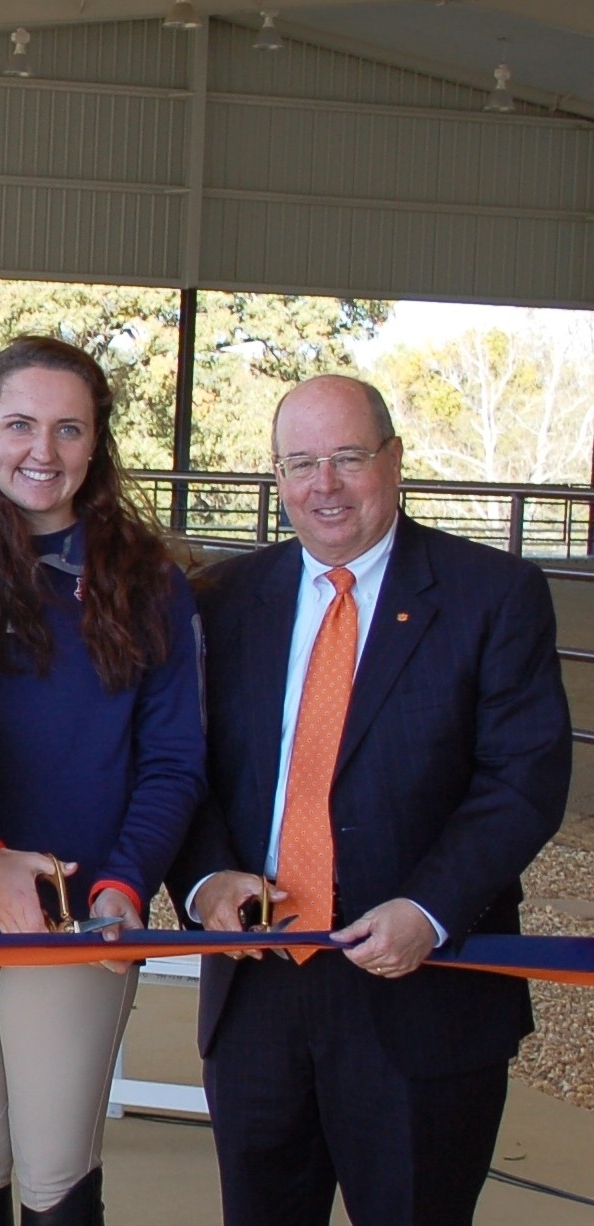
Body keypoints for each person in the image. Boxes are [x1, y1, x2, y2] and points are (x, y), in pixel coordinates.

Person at [171, 374, 570, 1225]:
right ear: (275, 476)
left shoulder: (492, 595)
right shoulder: (221, 602)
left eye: (348, 458)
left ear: (393, 461)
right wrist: (207, 882)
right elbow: (182, 768)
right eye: (302, 462)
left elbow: (524, 778)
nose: (325, 485)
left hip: (425, 987)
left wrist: (431, 908)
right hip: (258, 989)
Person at [0, 337, 206, 1225]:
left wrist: (124, 879)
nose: (45, 450)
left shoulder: (151, 582)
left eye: (69, 429)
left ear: (97, 440)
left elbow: (173, 761)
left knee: (54, 1176)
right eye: (22, 424)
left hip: (80, 914)